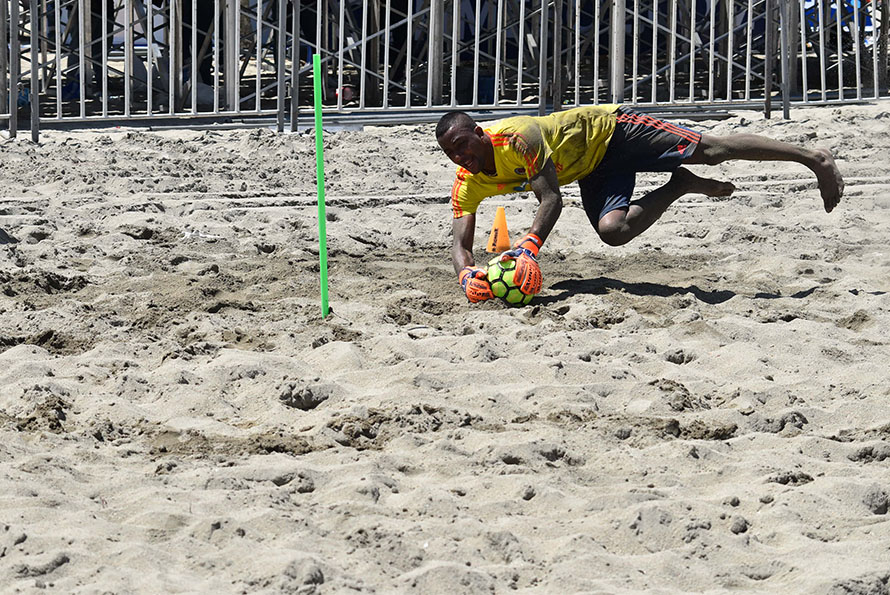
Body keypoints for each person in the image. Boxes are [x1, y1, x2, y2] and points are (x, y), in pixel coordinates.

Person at [436, 104, 844, 303]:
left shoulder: (518, 137)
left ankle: (813, 158)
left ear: (479, 133)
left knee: (714, 150)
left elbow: (552, 198)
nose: (459, 157)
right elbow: (460, 245)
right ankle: (680, 185)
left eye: (461, 146)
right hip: (595, 167)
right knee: (615, 232)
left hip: (615, 131)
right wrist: (466, 275)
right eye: (449, 153)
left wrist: (528, 249)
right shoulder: (466, 180)